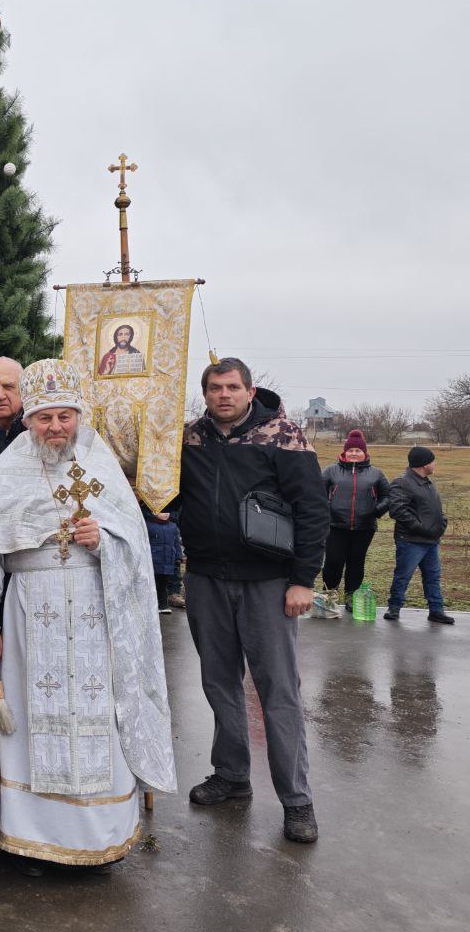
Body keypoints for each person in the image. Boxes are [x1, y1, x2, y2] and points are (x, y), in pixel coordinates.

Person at [0, 359, 176, 875]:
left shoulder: (100, 465)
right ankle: (31, 839)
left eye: (64, 417)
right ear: (29, 420)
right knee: (26, 719)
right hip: (27, 613)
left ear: (78, 417)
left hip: (93, 607)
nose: (55, 428)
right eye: (44, 418)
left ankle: (98, 837)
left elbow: (134, 547)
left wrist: (104, 542)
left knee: (96, 715)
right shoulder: (5, 473)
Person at [176, 357, 329, 843]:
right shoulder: (189, 438)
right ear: (206, 393)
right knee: (219, 683)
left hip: (267, 582)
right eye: (215, 388)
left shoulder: (283, 436)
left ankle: (296, 800)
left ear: (249, 390)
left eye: (233, 387)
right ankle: (232, 775)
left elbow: (312, 510)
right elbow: (169, 490)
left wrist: (302, 579)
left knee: (277, 691)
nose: (224, 395)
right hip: (205, 577)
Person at [322, 429, 390, 610]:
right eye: (350, 450)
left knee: (356, 563)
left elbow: (388, 496)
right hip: (334, 526)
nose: (353, 453)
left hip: (364, 528)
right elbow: (317, 494)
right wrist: (328, 510)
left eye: (357, 451)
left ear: (364, 453)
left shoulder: (376, 473)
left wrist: (376, 511)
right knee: (333, 562)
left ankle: (352, 597)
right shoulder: (331, 471)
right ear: (344, 452)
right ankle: (329, 596)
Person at [384, 447, 453, 624]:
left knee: (433, 576)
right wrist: (423, 528)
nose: (435, 463)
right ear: (424, 463)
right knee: (403, 575)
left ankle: (436, 610)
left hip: (430, 540)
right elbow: (398, 511)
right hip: (411, 540)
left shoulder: (427, 482)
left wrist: (441, 524)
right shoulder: (402, 482)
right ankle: (394, 608)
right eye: (433, 460)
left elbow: (436, 509)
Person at [141, 502, 184, 614]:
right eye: (162, 511)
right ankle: (152, 605)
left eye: (167, 511)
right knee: (153, 584)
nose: (165, 514)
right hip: (154, 561)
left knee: (163, 585)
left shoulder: (173, 527)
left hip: (168, 561)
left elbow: (176, 544)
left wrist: (178, 557)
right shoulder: (148, 525)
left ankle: (163, 604)